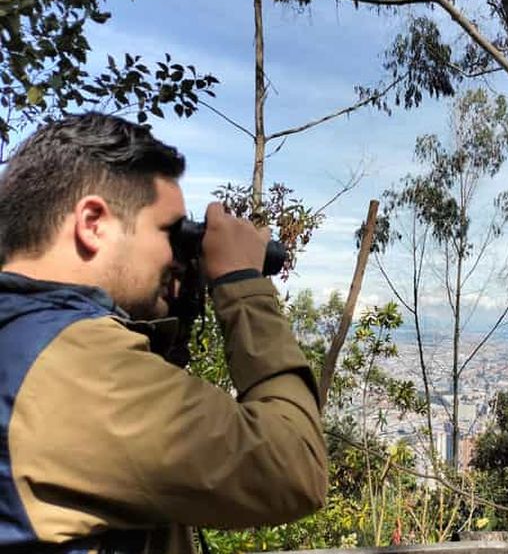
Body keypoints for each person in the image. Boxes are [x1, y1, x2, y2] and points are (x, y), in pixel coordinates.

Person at [0, 113, 328, 553]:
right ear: (93, 222)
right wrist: (241, 285)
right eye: (170, 232)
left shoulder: (22, 335)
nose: (176, 257)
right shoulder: (76, 368)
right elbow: (293, 466)